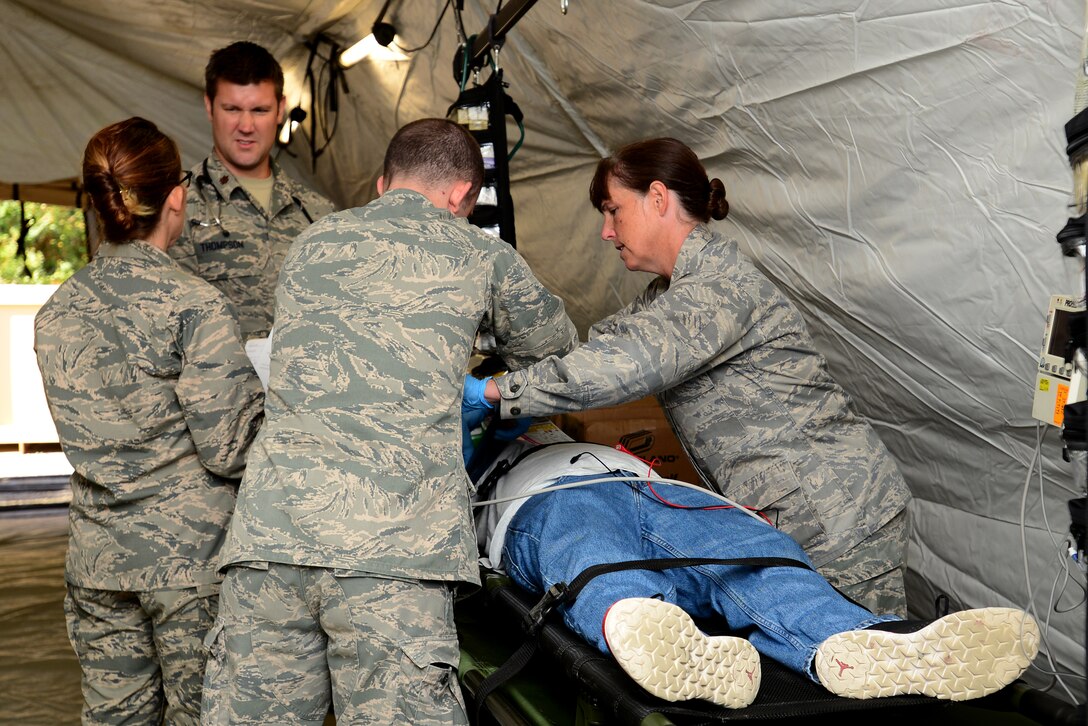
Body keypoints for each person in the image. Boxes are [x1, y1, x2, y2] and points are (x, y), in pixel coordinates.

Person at [201, 118, 578, 725]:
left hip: (272, 541)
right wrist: (483, 371)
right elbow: (557, 354)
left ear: (383, 183)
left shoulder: (312, 242)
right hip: (395, 556)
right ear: (464, 195)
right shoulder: (480, 254)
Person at [472, 137, 913, 615]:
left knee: (865, 662)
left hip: (838, 514)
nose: (605, 231)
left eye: (613, 210)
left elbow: (617, 366)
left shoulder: (715, 289)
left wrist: (497, 393)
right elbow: (592, 350)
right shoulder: (669, 294)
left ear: (658, 198)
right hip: (807, 512)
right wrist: (513, 366)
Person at [472, 436, 1039, 708]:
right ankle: (662, 640)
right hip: (541, 498)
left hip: (652, 486)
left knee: (754, 548)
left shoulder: (549, 421)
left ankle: (853, 642)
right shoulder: (460, 450)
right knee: (594, 556)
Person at [34, 117, 265, 725]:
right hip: (189, 564)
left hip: (98, 559)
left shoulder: (56, 312)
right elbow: (229, 449)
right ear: (175, 195)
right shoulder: (196, 304)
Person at [169, 40, 335, 341]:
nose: (246, 126)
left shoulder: (318, 212)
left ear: (280, 109)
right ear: (209, 106)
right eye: (232, 109)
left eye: (260, 110)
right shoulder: (177, 206)